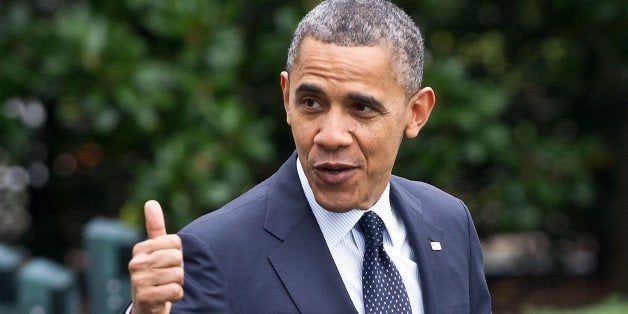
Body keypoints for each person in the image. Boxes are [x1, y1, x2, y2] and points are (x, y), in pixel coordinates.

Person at [127, 0, 492, 313]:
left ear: (417, 113)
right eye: (311, 103)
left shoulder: (448, 221)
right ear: (287, 99)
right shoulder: (216, 253)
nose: (330, 136)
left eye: (361, 107)